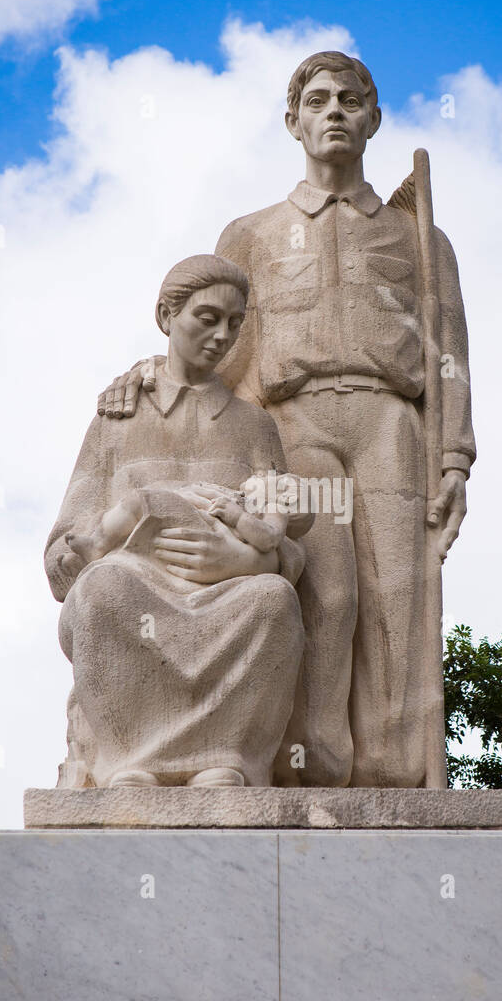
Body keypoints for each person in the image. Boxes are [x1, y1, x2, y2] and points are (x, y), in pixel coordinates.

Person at [96, 53, 476, 789]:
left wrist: (455, 459)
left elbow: (449, 356)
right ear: (293, 120)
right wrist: (151, 373)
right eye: (319, 100)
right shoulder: (251, 233)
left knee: (399, 593)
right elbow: (212, 341)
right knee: (324, 592)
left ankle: (393, 767)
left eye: (351, 100)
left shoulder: (419, 239)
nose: (335, 111)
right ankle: (310, 755)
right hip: (290, 421)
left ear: (373, 118)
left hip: (389, 419)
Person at [44, 254, 306, 789]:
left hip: (225, 598)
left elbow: (288, 540)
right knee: (101, 588)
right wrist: (94, 550)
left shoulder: (254, 426)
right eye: (206, 318)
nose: (221, 336)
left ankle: (224, 758)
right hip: (135, 591)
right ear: (166, 317)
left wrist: (249, 558)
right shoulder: (116, 420)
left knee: (273, 600)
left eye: (234, 324)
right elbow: (60, 563)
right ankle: (129, 761)